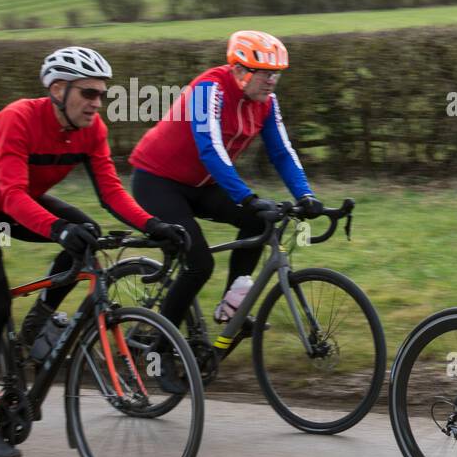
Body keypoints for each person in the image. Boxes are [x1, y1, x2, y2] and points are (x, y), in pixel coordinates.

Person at [0, 46, 185, 457]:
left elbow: (112, 192)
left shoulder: (91, 130)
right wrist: (58, 228)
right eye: (88, 93)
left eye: (101, 94)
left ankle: (39, 320)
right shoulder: (19, 118)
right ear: (58, 89)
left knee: (89, 234)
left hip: (21, 202)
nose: (97, 103)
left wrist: (153, 225)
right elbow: (10, 195)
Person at [128, 30, 323, 336]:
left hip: (201, 184)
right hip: (158, 181)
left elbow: (282, 152)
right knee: (200, 264)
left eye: (276, 75)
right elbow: (210, 148)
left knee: (259, 222)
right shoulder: (209, 89)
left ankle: (232, 307)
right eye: (264, 74)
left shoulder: (267, 102)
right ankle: (161, 345)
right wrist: (246, 197)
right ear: (239, 71)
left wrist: (306, 194)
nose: (271, 82)